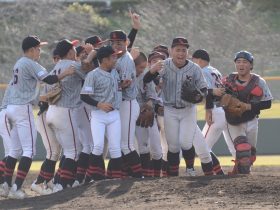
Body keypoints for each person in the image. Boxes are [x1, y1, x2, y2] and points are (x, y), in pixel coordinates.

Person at [0, 35, 74, 199]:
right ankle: (17, 189)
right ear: (32, 49)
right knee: (29, 150)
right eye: (38, 48)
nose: (40, 51)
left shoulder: (19, 63)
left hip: (11, 108)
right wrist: (66, 73)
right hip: (22, 108)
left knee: (14, 150)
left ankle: (5, 186)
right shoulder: (30, 63)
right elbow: (48, 78)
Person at [143, 37, 214, 176]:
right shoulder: (164, 65)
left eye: (184, 50)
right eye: (177, 50)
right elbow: (146, 80)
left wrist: (199, 95)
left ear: (188, 52)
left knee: (186, 143)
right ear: (171, 51)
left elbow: (204, 89)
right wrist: (152, 71)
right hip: (170, 109)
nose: (180, 53)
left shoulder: (195, 68)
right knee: (173, 146)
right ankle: (173, 174)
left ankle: (190, 169)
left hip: (188, 110)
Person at [222, 50, 272, 174]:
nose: (241, 65)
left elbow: (267, 103)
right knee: (243, 149)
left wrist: (247, 106)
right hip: (234, 121)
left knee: (250, 155)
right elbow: (217, 99)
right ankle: (241, 179)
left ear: (251, 65)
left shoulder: (258, 81)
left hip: (251, 119)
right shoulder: (228, 80)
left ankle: (240, 171)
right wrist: (221, 98)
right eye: (238, 62)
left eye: (245, 62)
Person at [81, 46, 123, 181]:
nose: (115, 59)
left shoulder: (115, 72)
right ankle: (90, 176)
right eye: (113, 57)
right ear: (104, 60)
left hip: (114, 114)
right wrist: (99, 104)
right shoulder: (93, 74)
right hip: (99, 114)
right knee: (98, 146)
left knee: (115, 147)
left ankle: (116, 179)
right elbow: (84, 96)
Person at [192, 49, 235, 175]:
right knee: (231, 146)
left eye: (194, 61)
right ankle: (225, 172)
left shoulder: (202, 71)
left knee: (202, 147)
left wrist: (208, 110)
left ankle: (214, 173)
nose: (193, 64)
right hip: (225, 110)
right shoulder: (215, 71)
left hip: (215, 111)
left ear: (199, 60)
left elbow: (209, 92)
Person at [109, 30, 142, 178]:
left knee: (126, 144)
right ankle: (123, 174)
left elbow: (125, 83)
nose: (116, 45)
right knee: (119, 143)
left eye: (120, 43)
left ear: (126, 43)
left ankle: (138, 175)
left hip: (127, 103)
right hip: (120, 104)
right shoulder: (116, 58)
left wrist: (106, 90)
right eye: (114, 43)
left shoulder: (126, 60)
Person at [134, 52, 163, 177]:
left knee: (156, 148)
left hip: (146, 114)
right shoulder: (125, 76)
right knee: (141, 147)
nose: (143, 70)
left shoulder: (146, 76)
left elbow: (152, 97)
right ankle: (142, 176)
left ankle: (155, 177)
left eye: (144, 67)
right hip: (130, 115)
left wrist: (149, 104)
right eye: (140, 67)